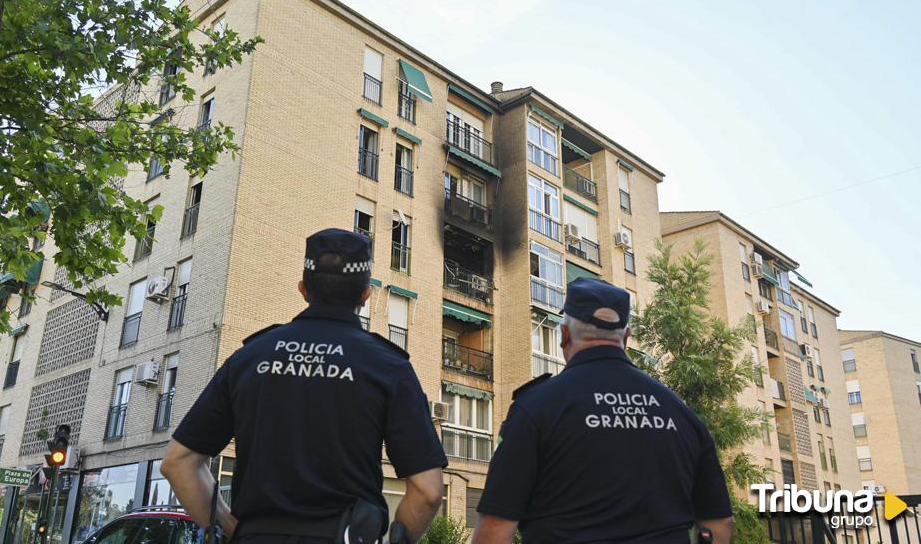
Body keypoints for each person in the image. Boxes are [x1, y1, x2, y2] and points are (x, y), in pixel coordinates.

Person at [162, 229, 447, 543]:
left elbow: (178, 463)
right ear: (365, 296)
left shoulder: (249, 358)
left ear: (303, 290)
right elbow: (428, 491)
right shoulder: (388, 366)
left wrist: (233, 531)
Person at [472, 278, 734, 544]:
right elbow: (719, 523)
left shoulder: (536, 407)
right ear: (627, 338)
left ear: (564, 335)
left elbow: (495, 530)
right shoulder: (680, 413)